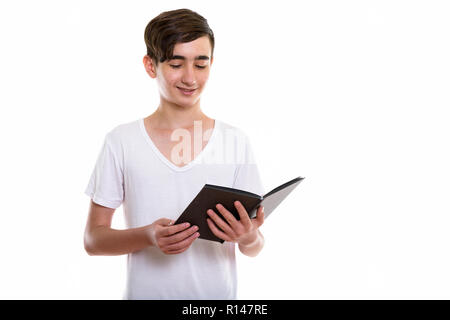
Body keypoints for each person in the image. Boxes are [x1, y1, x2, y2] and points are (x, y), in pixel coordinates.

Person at [83, 8, 266, 300]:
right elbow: (93, 240)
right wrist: (147, 236)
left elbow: (254, 247)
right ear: (150, 65)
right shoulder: (121, 141)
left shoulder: (235, 141)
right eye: (176, 63)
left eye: (201, 64)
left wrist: (248, 237)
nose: (190, 78)